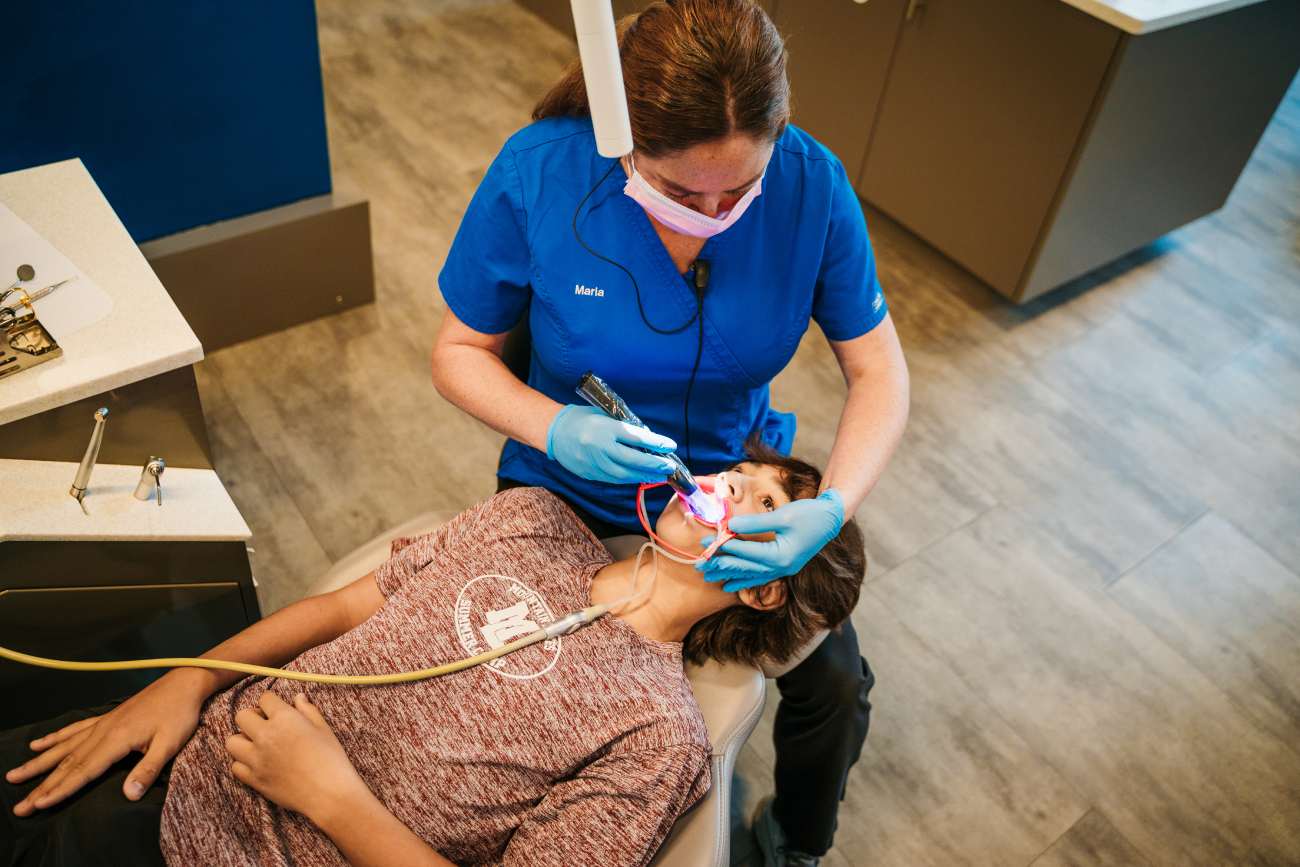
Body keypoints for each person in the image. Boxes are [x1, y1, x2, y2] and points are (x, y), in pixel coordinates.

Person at [429, 1, 909, 863]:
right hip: (562, 484)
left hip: (728, 467)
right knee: (542, 680)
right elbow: (459, 351)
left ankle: (798, 841)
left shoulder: (812, 187)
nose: (715, 210)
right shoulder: (539, 172)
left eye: (741, 189)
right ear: (623, 142)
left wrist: (829, 508)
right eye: (684, 191)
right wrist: (553, 427)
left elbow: (879, 371)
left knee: (836, 681)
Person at [2, 449, 866, 867]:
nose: (721, 483)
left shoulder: (659, 736)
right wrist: (186, 681)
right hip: (176, 750)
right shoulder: (529, 518)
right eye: (738, 468)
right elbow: (339, 608)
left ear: (762, 586)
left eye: (756, 500)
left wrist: (329, 794)